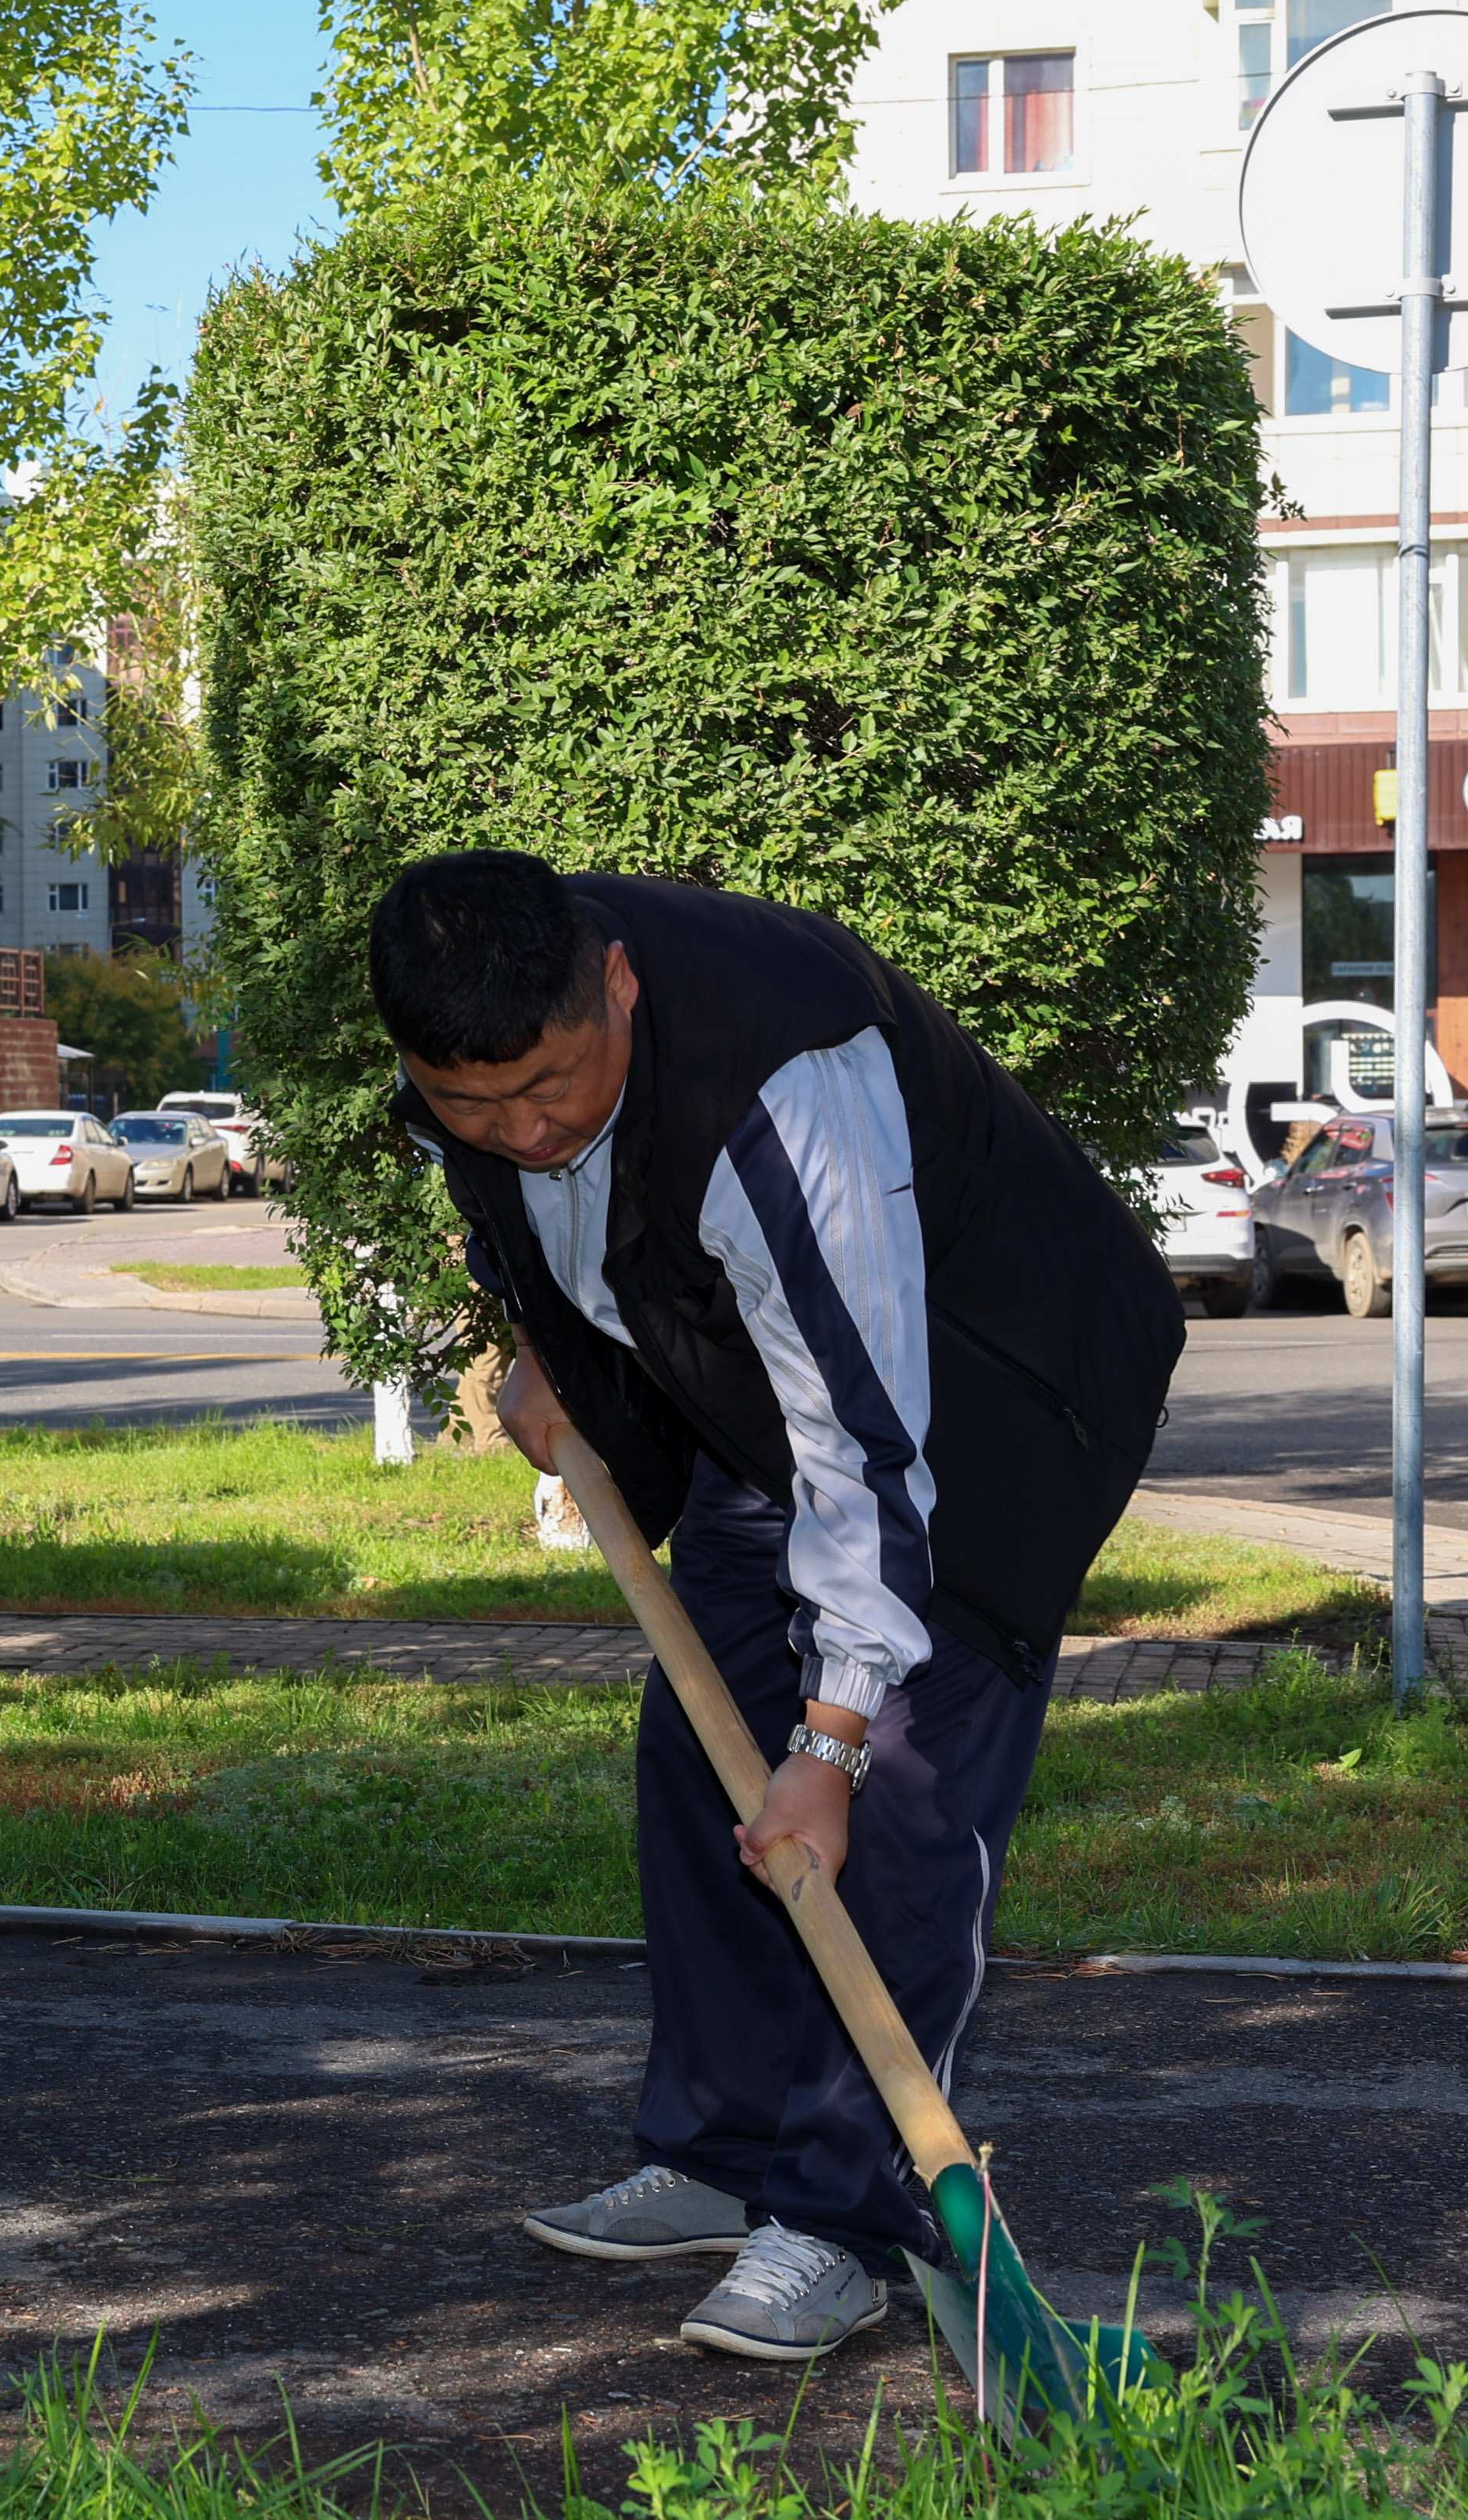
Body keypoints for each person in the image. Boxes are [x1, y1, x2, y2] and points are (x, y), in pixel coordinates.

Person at [368, 850, 1180, 2364]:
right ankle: (728, 2149)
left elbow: (871, 1441)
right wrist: (551, 1345)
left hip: (992, 1406)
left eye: (549, 1085)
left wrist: (838, 1736)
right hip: (765, 1400)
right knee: (703, 1760)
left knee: (895, 1813)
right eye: (474, 1107)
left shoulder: (784, 1079)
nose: (521, 1130)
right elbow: (565, 1232)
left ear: (613, 983)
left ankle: (842, 2216)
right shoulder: (482, 1073)